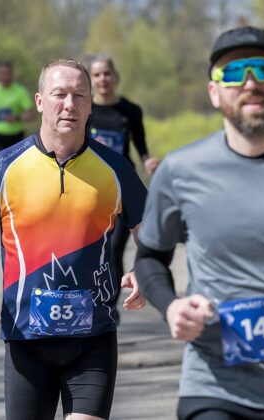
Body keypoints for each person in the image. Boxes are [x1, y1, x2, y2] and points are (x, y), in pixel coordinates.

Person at [0, 58, 147, 420]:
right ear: (39, 101)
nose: (69, 105)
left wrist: (144, 271)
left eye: (79, 96)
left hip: (94, 338)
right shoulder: (5, 166)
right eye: (59, 94)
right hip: (25, 339)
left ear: (90, 105)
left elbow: (150, 232)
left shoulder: (115, 168)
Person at [135, 26, 264, 420]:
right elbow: (150, 258)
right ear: (214, 92)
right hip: (216, 384)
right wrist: (171, 306)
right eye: (233, 73)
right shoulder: (180, 170)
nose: (250, 83)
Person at [86, 54, 159, 322]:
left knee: (114, 249)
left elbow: (140, 142)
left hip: (121, 187)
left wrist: (147, 160)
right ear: (91, 79)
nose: (102, 79)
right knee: (92, 249)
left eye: (107, 73)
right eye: (97, 75)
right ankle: (89, 300)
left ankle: (109, 307)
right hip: (90, 187)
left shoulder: (130, 110)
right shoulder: (85, 109)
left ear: (115, 77)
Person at [0, 60, 36, 157]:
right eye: (2, 73)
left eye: (7, 73)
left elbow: (31, 114)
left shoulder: (20, 91)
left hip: (15, 137)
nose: (5, 76)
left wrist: (16, 118)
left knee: (15, 164)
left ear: (12, 74)